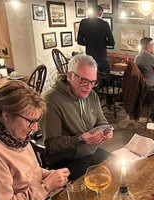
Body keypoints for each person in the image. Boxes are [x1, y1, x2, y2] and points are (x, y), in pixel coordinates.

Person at [0, 81, 70, 200]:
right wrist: (46, 186)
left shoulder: (16, 136)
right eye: (31, 121)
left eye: (37, 121)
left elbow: (28, 171)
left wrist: (47, 175)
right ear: (7, 116)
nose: (35, 128)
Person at [41, 53, 113, 181]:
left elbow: (101, 121)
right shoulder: (51, 100)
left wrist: (107, 130)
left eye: (93, 82)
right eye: (84, 81)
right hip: (67, 161)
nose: (89, 87)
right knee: (97, 184)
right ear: (69, 76)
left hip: (91, 152)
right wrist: (80, 139)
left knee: (117, 169)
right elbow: (51, 145)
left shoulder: (91, 95)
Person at [77, 5, 115, 73]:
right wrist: (102, 43)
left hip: (89, 57)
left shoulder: (83, 22)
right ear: (101, 13)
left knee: (90, 79)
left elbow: (79, 41)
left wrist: (89, 43)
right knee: (104, 80)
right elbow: (112, 42)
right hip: (102, 58)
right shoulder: (104, 24)